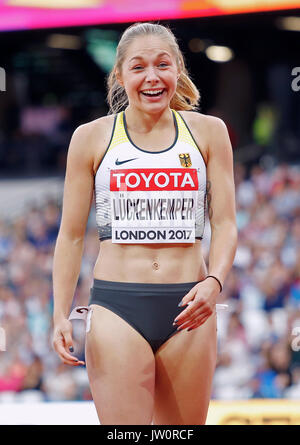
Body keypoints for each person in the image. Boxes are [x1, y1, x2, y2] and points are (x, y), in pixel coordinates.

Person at [52, 22, 237, 425]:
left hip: (191, 307)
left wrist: (215, 281)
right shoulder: (91, 137)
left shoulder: (209, 132)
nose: (152, 77)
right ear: (119, 76)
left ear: (178, 71)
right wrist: (59, 313)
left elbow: (225, 223)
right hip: (117, 307)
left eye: (162, 65)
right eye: (138, 67)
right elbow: (70, 236)